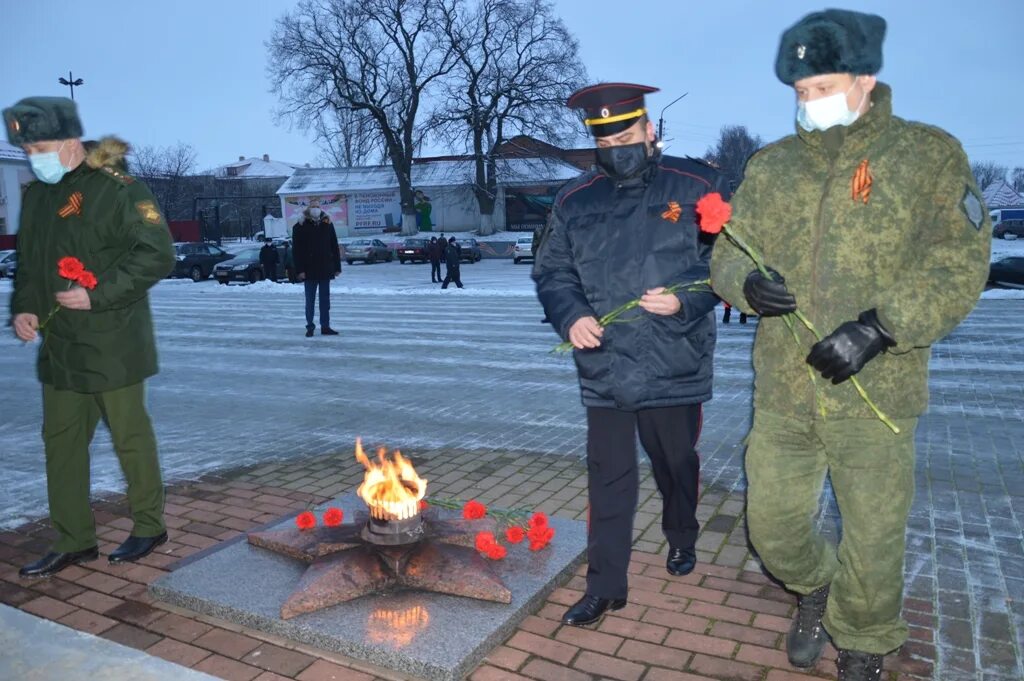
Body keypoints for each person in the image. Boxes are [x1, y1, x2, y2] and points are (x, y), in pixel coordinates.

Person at [709, 11, 990, 680]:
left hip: (879, 392)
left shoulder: (927, 154)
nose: (810, 103)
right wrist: (745, 282)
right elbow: (725, 248)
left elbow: (960, 258)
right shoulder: (772, 166)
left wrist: (882, 325)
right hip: (785, 387)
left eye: (823, 87)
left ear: (867, 78)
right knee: (771, 525)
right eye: (800, 92)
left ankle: (863, 640)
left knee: (874, 533)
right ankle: (815, 585)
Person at [532, 83, 726, 627]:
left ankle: (681, 534)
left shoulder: (697, 187)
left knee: (675, 463)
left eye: (626, 133)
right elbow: (553, 271)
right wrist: (571, 316)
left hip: (674, 358)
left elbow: (729, 264)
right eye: (605, 137)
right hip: (606, 362)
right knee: (608, 476)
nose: (617, 144)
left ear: (649, 130)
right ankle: (606, 586)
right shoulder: (575, 201)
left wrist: (686, 298)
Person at [5, 97, 176, 577]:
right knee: (59, 443)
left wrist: (98, 296)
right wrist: (23, 310)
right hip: (60, 346)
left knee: (130, 438)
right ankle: (74, 538)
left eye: (39, 146)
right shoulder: (38, 196)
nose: (33, 156)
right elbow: (31, 266)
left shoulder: (117, 187)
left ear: (70, 141)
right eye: (27, 149)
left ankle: (149, 525)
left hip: (112, 339)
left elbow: (157, 254)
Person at [292, 200, 341, 336]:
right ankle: (310, 327)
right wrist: (300, 270)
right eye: (313, 206)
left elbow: (334, 247)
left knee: (325, 300)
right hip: (308, 270)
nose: (316, 209)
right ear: (308, 209)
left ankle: (325, 326)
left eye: (318, 206)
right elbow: (297, 251)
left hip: (325, 268)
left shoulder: (327, 224)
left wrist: (337, 267)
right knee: (310, 300)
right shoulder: (300, 226)